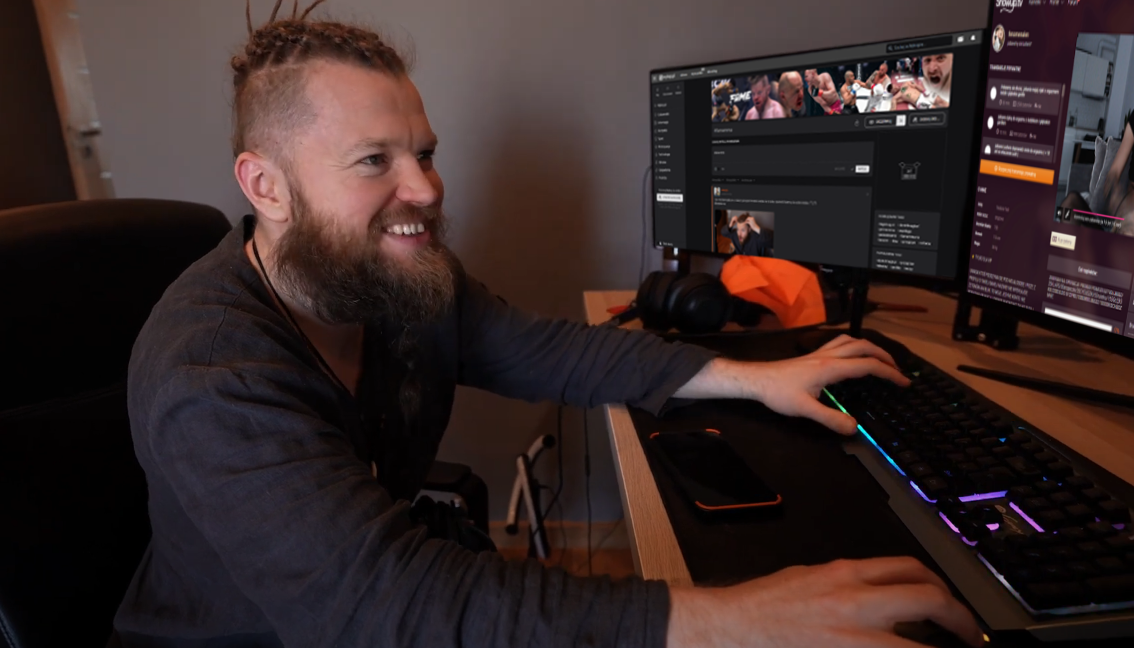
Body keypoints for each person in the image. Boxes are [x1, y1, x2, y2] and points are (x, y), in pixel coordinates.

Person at [109, 4, 985, 648]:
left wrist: (750, 378)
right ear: (265, 186)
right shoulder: (211, 373)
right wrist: (736, 619)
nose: (425, 189)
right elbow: (386, 609)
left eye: (425, 154)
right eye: (375, 160)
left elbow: (547, 350)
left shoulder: (399, 282)